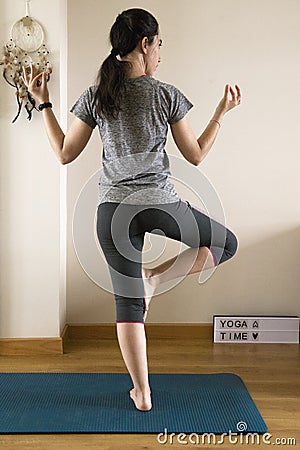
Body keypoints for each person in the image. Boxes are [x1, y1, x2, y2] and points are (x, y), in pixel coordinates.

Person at [23, 8, 241, 412]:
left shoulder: (96, 96)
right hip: (159, 205)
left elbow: (64, 153)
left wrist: (45, 104)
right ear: (144, 44)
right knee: (225, 244)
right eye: (158, 44)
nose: (160, 53)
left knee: (127, 305)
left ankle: (142, 394)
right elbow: (196, 155)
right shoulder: (164, 94)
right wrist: (219, 114)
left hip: (112, 214)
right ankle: (155, 280)